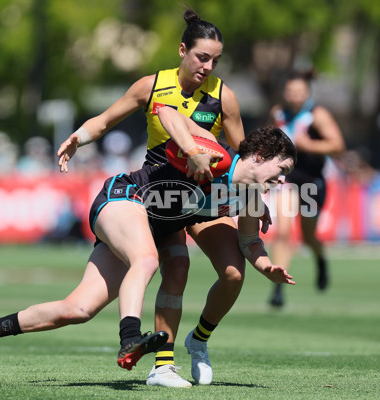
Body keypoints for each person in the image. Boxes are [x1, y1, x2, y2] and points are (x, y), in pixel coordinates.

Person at [0, 107, 297, 385]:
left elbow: (250, 241)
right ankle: (130, 338)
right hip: (124, 196)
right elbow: (167, 113)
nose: (282, 180)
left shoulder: (251, 197)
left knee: (78, 309)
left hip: (147, 224)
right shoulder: (216, 155)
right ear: (261, 154)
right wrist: (193, 151)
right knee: (146, 260)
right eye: (281, 170)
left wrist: (267, 267)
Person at [57, 8, 269, 387]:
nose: (208, 66)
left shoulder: (224, 97)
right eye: (202, 57)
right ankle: (163, 366)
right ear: (182, 50)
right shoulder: (151, 86)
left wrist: (257, 198)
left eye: (215, 60)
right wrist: (78, 138)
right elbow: (104, 121)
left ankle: (199, 340)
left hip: (205, 197)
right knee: (176, 268)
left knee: (234, 273)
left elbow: (244, 155)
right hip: (162, 195)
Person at [267, 70, 345, 307]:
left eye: (299, 92)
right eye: (290, 92)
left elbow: (337, 145)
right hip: (287, 180)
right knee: (283, 232)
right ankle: (278, 289)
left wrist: (308, 145)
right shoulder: (278, 113)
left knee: (309, 237)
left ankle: (320, 259)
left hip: (312, 182)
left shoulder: (317, 115)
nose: (294, 96)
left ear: (307, 93)